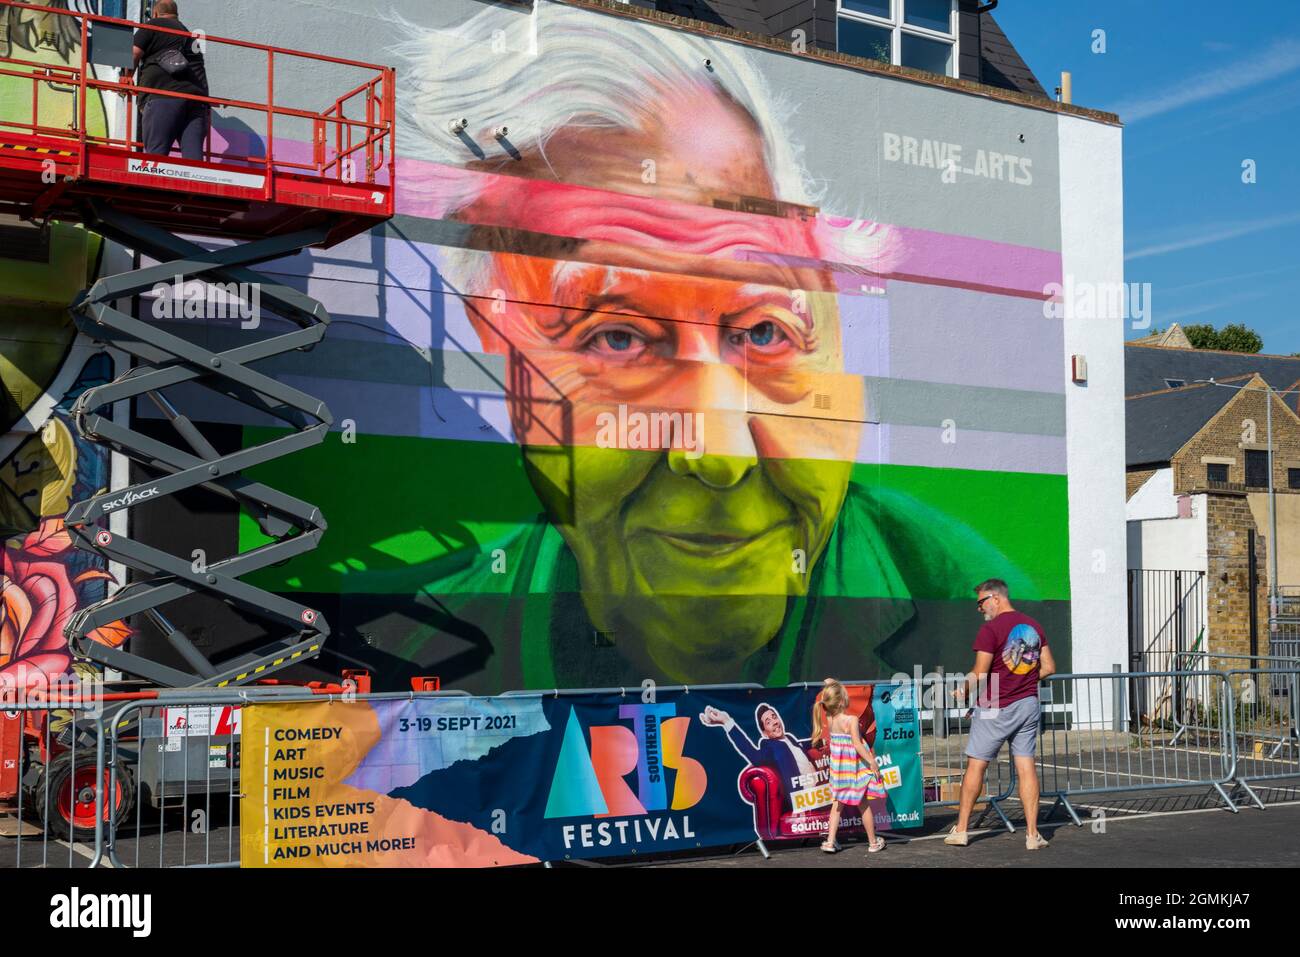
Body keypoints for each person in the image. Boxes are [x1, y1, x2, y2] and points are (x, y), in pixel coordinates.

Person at [384, 6, 1042, 693]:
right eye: (618, 337)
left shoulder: (966, 595)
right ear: (510, 366)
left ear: (840, 333)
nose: (721, 453)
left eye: (764, 332)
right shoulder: (418, 641)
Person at [946, 578, 1056, 851]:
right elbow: (1049, 667)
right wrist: (1026, 680)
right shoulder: (1033, 626)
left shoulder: (990, 629)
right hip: (1027, 704)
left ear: (995, 597)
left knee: (976, 765)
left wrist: (963, 689)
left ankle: (961, 830)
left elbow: (980, 672)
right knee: (1026, 767)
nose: (979, 608)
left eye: (981, 602)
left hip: (996, 705)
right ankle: (1032, 835)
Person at [127, 0, 209, 160]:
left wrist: (126, 77)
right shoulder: (190, 36)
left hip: (163, 98)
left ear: (155, 13)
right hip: (196, 102)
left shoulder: (153, 26)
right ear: (176, 15)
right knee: (194, 162)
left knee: (155, 157)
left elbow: (134, 53)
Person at [701, 702, 815, 812]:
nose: (774, 722)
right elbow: (752, 754)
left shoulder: (790, 738)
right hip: (803, 799)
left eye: (774, 717)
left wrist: (822, 741)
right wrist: (726, 721)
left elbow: (804, 745)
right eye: (768, 722)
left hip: (818, 790)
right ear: (765, 733)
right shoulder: (770, 746)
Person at [814, 678, 885, 854]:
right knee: (864, 805)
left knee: (837, 806)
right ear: (841, 701)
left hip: (839, 772)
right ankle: (873, 842)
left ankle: (830, 842)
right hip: (853, 772)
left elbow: (831, 694)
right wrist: (871, 761)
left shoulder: (830, 719)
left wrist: (831, 683)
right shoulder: (851, 720)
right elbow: (858, 745)